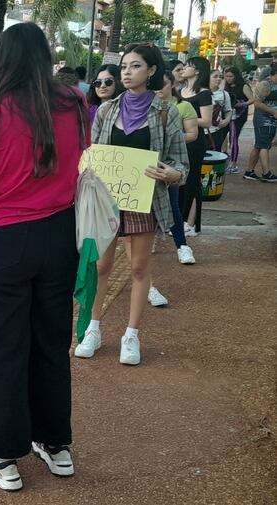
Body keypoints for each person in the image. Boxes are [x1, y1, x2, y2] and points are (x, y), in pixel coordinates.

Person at [0, 23, 89, 492]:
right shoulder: (75, 104)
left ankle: (2, 453)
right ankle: (55, 444)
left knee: (3, 347)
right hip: (58, 236)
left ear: (0, 62)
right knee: (51, 340)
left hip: (2, 243)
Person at [76, 43, 188, 366]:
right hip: (107, 199)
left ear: (151, 71)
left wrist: (171, 173)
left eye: (135, 66)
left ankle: (131, 335)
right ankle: (92, 329)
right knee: (100, 266)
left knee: (139, 268)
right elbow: (92, 153)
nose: (126, 72)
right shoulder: (108, 110)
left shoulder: (166, 112)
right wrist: (88, 166)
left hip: (145, 199)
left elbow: (181, 165)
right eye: (124, 66)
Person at [156, 70, 198, 266]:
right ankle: (153, 240)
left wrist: (170, 140)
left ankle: (182, 245)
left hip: (169, 163)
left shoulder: (182, 106)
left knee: (172, 205)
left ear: (172, 84)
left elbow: (192, 133)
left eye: (162, 84)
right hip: (147, 164)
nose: (158, 89)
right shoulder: (145, 105)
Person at [180, 57, 213, 235]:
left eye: (187, 66)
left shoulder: (204, 93)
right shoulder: (181, 90)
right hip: (180, 139)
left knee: (192, 181)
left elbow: (207, 121)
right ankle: (179, 219)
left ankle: (190, 223)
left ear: (197, 70)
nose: (184, 69)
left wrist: (185, 118)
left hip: (196, 142)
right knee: (180, 179)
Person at [245, 62, 277, 182]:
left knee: (259, 145)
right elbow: (257, 103)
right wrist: (273, 112)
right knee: (264, 145)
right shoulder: (265, 84)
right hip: (263, 119)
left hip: (272, 119)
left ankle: (249, 171)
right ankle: (266, 173)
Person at [224, 66, 254, 173]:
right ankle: (225, 157)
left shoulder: (243, 86)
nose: (228, 78)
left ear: (236, 76)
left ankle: (233, 163)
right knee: (223, 137)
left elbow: (252, 99)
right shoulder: (225, 86)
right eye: (226, 76)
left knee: (234, 138)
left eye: (230, 76)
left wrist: (242, 104)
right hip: (227, 114)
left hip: (238, 115)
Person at [208, 69, 232, 152]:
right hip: (200, 130)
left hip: (216, 130)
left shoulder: (224, 94)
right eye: (215, 76)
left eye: (221, 77)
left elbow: (228, 110)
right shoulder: (200, 92)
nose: (218, 79)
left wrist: (227, 120)